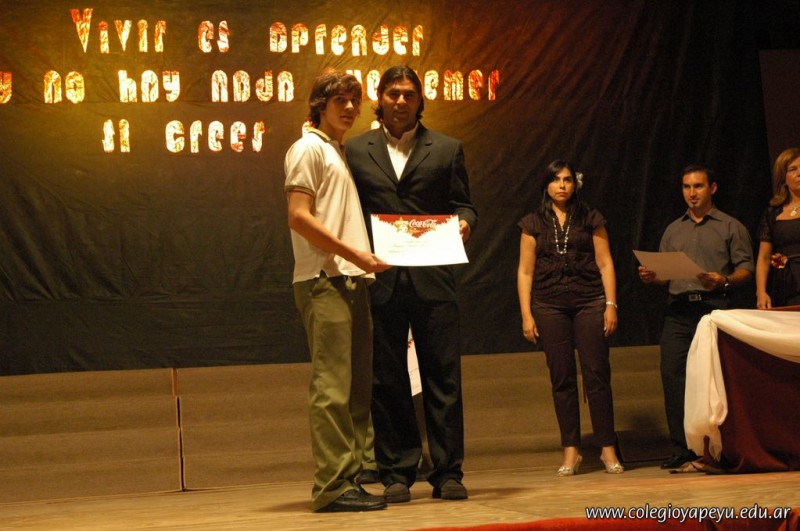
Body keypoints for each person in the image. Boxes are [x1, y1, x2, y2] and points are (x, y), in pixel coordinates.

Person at [346, 65, 477, 503]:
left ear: (421, 100)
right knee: (387, 381)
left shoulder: (447, 148)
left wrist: (465, 223)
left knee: (443, 377)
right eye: (393, 93)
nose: (400, 101)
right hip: (381, 278)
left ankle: (448, 472)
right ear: (379, 98)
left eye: (408, 93)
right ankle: (396, 473)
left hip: (434, 277)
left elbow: (465, 205)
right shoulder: (355, 150)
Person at [284, 70, 390, 513]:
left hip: (349, 279)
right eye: (339, 100)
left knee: (356, 387)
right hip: (324, 279)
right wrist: (354, 254)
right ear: (319, 105)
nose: (349, 107)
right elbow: (298, 215)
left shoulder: (336, 151)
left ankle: (352, 476)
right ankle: (332, 486)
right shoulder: (308, 148)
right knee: (332, 387)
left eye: (354, 100)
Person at [639, 164, 754, 470]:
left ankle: (723, 446)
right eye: (687, 187)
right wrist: (652, 276)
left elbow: (746, 268)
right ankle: (682, 447)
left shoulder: (730, 226)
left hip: (714, 307)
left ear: (712, 188)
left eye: (698, 186)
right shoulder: (673, 229)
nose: (692, 193)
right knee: (672, 373)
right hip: (679, 309)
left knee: (717, 376)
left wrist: (724, 280)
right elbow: (664, 275)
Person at [516, 160, 624, 477]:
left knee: (596, 374)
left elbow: (605, 263)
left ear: (575, 184)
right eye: (555, 180)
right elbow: (525, 271)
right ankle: (571, 450)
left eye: (567, 180)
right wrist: (526, 314)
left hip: (589, 301)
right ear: (546, 185)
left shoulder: (590, 218)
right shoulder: (532, 222)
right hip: (548, 305)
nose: (562, 185)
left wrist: (611, 304)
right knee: (561, 378)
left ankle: (607, 448)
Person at [756, 148, 800, 309]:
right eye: (793, 169)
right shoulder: (773, 213)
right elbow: (764, 258)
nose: (799, 173)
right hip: (786, 285)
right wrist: (761, 292)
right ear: (783, 177)